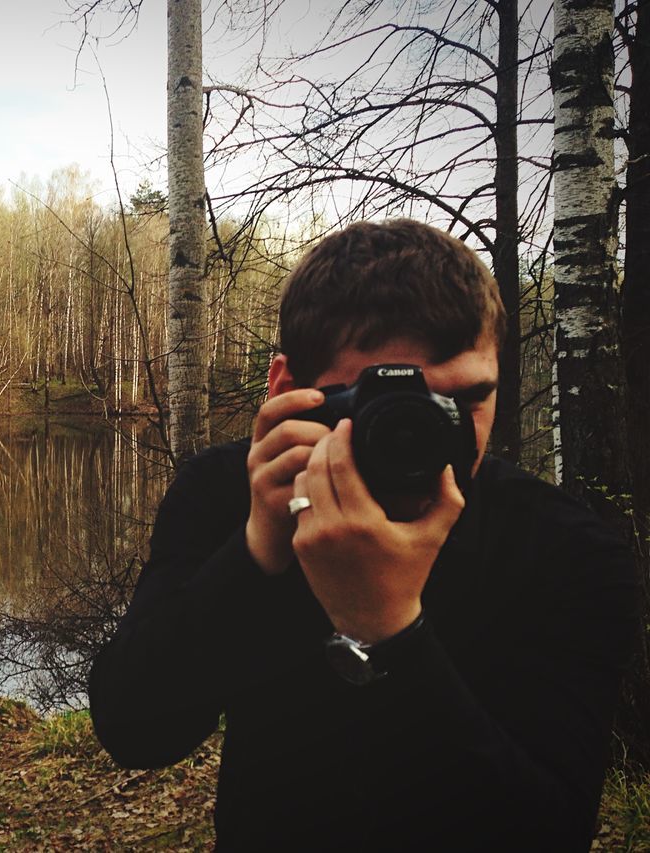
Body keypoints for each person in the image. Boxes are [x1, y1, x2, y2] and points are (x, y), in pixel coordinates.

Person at [87, 219, 639, 851]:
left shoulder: (567, 550)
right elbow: (135, 731)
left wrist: (391, 630)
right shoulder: (227, 493)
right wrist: (255, 555)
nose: (439, 436)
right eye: (392, 405)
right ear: (289, 391)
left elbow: (549, 831)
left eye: (469, 400)